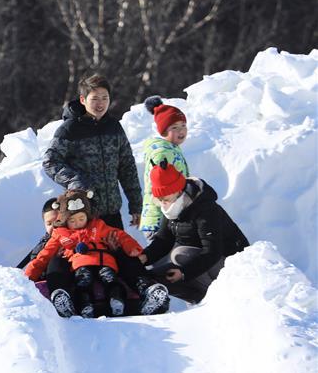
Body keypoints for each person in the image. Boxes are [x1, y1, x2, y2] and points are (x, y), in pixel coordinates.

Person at [25, 190, 169, 317]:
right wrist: (25, 279)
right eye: (49, 223)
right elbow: (40, 260)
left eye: (56, 221)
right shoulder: (54, 239)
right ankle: (64, 299)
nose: (54, 226)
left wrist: (132, 250)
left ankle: (145, 290)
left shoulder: (97, 227)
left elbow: (119, 235)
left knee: (116, 268)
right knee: (59, 264)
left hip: (104, 265)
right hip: (77, 272)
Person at [138, 160, 249, 304]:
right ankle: (195, 301)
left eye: (165, 199)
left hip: (230, 263)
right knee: (154, 275)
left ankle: (216, 298)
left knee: (180, 254)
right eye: (159, 200)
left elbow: (212, 251)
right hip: (199, 260)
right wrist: (145, 257)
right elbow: (164, 240)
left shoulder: (205, 209)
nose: (162, 203)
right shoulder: (173, 207)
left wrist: (184, 272)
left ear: (178, 191)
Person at [43, 74, 143, 230]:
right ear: (83, 100)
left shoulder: (114, 127)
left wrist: (136, 205)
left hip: (112, 213)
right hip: (83, 214)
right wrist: (75, 180)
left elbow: (127, 167)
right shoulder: (70, 129)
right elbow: (50, 161)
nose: (100, 103)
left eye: (105, 98)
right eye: (95, 98)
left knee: (120, 247)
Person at [140, 96, 191, 241]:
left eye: (183, 125)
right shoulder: (162, 153)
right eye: (174, 127)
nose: (181, 130)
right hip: (160, 220)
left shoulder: (172, 149)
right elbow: (155, 188)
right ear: (163, 132)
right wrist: (156, 222)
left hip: (169, 214)